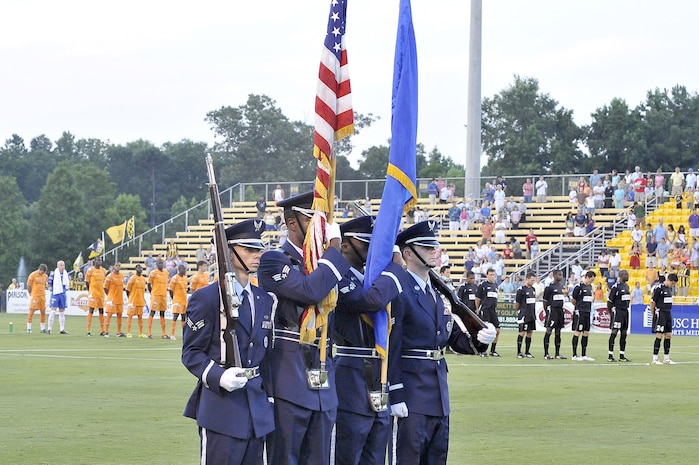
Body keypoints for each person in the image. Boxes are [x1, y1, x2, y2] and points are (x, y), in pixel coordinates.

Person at [388, 221, 495, 465]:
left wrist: (481, 340)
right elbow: (392, 344)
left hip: (438, 394)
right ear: (408, 253)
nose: (434, 251)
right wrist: (395, 393)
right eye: (427, 248)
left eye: (434, 247)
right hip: (412, 391)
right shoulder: (399, 290)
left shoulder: (437, 294)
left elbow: (452, 338)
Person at [256, 192, 350, 465]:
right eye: (313, 218)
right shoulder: (275, 260)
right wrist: (334, 247)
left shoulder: (325, 265)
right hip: (288, 379)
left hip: (323, 379)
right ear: (292, 223)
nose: (320, 226)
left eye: (324, 219)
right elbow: (310, 291)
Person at [182, 219, 274, 465]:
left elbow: (266, 355)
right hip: (221, 409)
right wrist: (219, 376)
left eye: (259, 249)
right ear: (229, 251)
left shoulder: (264, 299)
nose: (258, 255)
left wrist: (270, 398)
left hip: (257, 410)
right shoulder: (207, 298)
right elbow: (191, 353)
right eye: (249, 250)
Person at [332, 216, 403, 465]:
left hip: (378, 378)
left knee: (374, 458)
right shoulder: (337, 277)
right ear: (345, 245)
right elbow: (368, 302)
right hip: (350, 378)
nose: (372, 250)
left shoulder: (370, 279)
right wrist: (395, 268)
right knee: (349, 455)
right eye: (365, 244)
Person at [650, 273, 678, 365]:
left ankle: (666, 358)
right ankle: (655, 358)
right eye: (672, 283)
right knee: (659, 335)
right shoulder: (659, 288)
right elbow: (653, 302)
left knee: (669, 335)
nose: (673, 285)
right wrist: (654, 313)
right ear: (669, 280)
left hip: (667, 313)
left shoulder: (669, 289)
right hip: (660, 313)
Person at [571, 271, 596, 361]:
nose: (591, 282)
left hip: (587, 311)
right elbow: (573, 299)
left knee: (586, 333)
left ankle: (584, 354)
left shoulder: (590, 287)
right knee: (577, 332)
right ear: (587, 277)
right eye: (591, 280)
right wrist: (578, 307)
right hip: (580, 311)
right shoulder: (579, 286)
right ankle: (574, 355)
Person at [607, 269, 632, 362]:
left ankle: (622, 355)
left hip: (625, 312)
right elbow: (609, 301)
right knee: (614, 332)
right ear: (621, 275)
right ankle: (610, 355)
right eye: (626, 274)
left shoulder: (626, 286)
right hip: (617, 311)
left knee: (624, 333)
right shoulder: (615, 287)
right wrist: (612, 312)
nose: (628, 276)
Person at [475, 268, 501, 357]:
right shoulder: (482, 285)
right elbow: (477, 298)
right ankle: (482, 350)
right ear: (487, 275)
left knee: (497, 330)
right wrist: (478, 309)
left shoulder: (496, 286)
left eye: (494, 275)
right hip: (485, 310)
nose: (492, 277)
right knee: (485, 331)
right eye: (490, 275)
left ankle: (493, 350)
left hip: (493, 311)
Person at [542, 269, 567, 359]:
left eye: (562, 275)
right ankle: (546, 353)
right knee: (549, 330)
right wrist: (547, 311)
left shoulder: (561, 286)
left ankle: (557, 354)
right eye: (559, 275)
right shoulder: (549, 287)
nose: (561, 276)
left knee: (558, 332)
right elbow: (545, 301)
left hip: (560, 311)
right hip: (552, 311)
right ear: (555, 275)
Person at [515, 271, 537, 358]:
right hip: (524, 315)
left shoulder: (533, 289)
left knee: (530, 333)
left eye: (534, 281)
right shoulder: (521, 290)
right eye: (532, 280)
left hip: (531, 314)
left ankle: (527, 352)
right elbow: (517, 303)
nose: (533, 282)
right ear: (527, 279)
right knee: (522, 333)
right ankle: (519, 352)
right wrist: (520, 311)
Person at [147, 258, 170, 339]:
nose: (161, 264)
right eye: (159, 263)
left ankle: (164, 334)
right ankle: (149, 333)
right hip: (156, 295)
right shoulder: (153, 273)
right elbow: (149, 284)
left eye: (162, 263)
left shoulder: (166, 273)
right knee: (152, 312)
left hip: (163, 295)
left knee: (162, 313)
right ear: (156, 264)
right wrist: (152, 293)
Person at [85, 256, 108, 336]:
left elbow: (105, 282)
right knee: (91, 310)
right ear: (95, 261)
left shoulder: (103, 270)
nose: (99, 262)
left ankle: (102, 330)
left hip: (101, 294)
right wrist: (90, 291)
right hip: (93, 293)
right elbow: (87, 282)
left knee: (101, 310)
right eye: (98, 260)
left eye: (100, 260)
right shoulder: (90, 270)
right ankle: (88, 330)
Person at [103, 262, 126, 337]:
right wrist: (109, 295)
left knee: (119, 315)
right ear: (113, 267)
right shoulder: (110, 276)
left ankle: (119, 332)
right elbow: (105, 288)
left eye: (119, 266)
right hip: (112, 299)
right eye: (116, 265)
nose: (117, 267)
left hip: (120, 299)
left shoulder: (122, 276)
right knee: (109, 315)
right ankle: (106, 332)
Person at [47, 260, 70, 334]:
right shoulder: (53, 274)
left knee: (62, 311)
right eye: (61, 265)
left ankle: (62, 329)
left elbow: (67, 284)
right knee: (53, 310)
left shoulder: (66, 274)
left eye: (63, 265)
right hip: (55, 294)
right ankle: (49, 328)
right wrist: (52, 290)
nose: (62, 267)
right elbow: (49, 283)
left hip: (63, 294)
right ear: (57, 266)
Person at [125, 264, 147, 338]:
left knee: (140, 317)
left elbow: (144, 291)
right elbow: (127, 290)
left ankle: (141, 333)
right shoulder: (132, 278)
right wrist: (130, 298)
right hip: (133, 301)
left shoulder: (143, 279)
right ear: (135, 269)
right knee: (130, 316)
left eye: (141, 268)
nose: (140, 269)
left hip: (140, 301)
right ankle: (128, 332)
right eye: (138, 267)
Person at [26, 264, 48, 333]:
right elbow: (29, 285)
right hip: (35, 295)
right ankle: (29, 328)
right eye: (42, 271)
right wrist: (30, 293)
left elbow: (45, 285)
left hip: (42, 296)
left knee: (43, 311)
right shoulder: (33, 275)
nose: (42, 273)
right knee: (32, 311)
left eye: (44, 272)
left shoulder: (45, 276)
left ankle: (43, 328)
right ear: (39, 269)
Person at [169, 264, 189, 340]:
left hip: (184, 300)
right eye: (183, 269)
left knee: (183, 317)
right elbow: (170, 290)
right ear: (179, 270)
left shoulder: (185, 278)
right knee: (175, 316)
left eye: (185, 269)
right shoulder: (175, 278)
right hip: (177, 300)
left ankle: (184, 334)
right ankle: (172, 334)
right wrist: (173, 299)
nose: (184, 271)